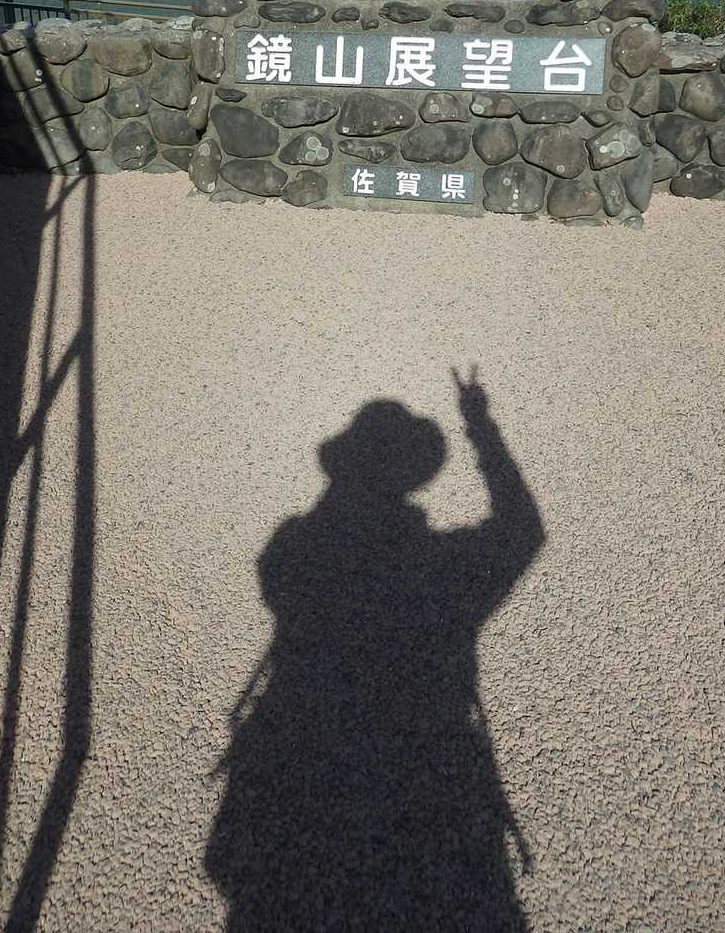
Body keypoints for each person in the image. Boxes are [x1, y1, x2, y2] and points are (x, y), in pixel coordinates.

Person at [206, 369, 546, 931]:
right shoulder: (439, 574)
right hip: (432, 825)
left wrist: (341, 503)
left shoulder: (298, 560)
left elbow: (296, 551)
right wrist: (481, 428)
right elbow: (522, 529)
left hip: (301, 821)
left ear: (343, 477)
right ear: (409, 480)